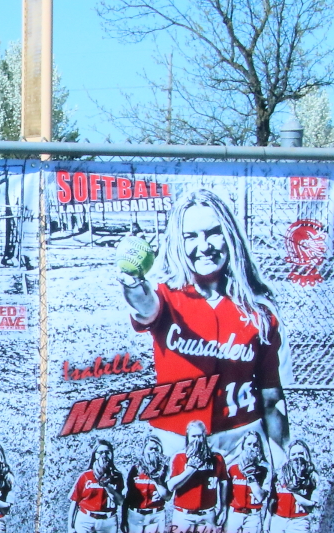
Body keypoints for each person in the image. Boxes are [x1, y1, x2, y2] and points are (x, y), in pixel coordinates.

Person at [118, 187, 288, 452]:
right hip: (176, 438)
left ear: (229, 237)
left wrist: (281, 460)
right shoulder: (166, 297)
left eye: (213, 233)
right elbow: (146, 306)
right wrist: (133, 284)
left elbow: (271, 397)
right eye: (191, 236)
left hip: (242, 440)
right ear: (177, 241)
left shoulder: (258, 311)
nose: (204, 246)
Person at [167, 420, 228, 533]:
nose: (197, 439)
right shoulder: (180, 457)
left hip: (207, 512)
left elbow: (223, 481)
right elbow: (171, 485)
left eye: (200, 436)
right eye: (193, 436)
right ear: (187, 437)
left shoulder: (216, 458)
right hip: (184, 513)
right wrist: (191, 468)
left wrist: (222, 507)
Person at [66, 440, 124, 533]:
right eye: (100, 452)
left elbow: (120, 501)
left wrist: (108, 485)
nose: (104, 455)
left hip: (108, 520)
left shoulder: (117, 476)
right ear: (94, 455)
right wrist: (70, 527)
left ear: (111, 455)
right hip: (86, 518)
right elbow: (74, 502)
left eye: (107, 452)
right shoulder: (85, 476)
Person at [222, 432, 272, 533]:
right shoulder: (233, 468)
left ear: (259, 448)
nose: (252, 448)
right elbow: (226, 494)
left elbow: (261, 496)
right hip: (235, 512)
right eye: (248, 444)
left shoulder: (264, 469)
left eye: (255, 444)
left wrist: (251, 477)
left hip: (253, 514)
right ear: (242, 446)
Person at [121, 434, 169, 533]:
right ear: (143, 450)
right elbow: (128, 495)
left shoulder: (165, 469)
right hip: (135, 515)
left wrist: (157, 479)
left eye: (156, 449)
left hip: (156, 514)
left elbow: (168, 496)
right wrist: (123, 518)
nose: (153, 451)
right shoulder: (135, 469)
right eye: (150, 448)